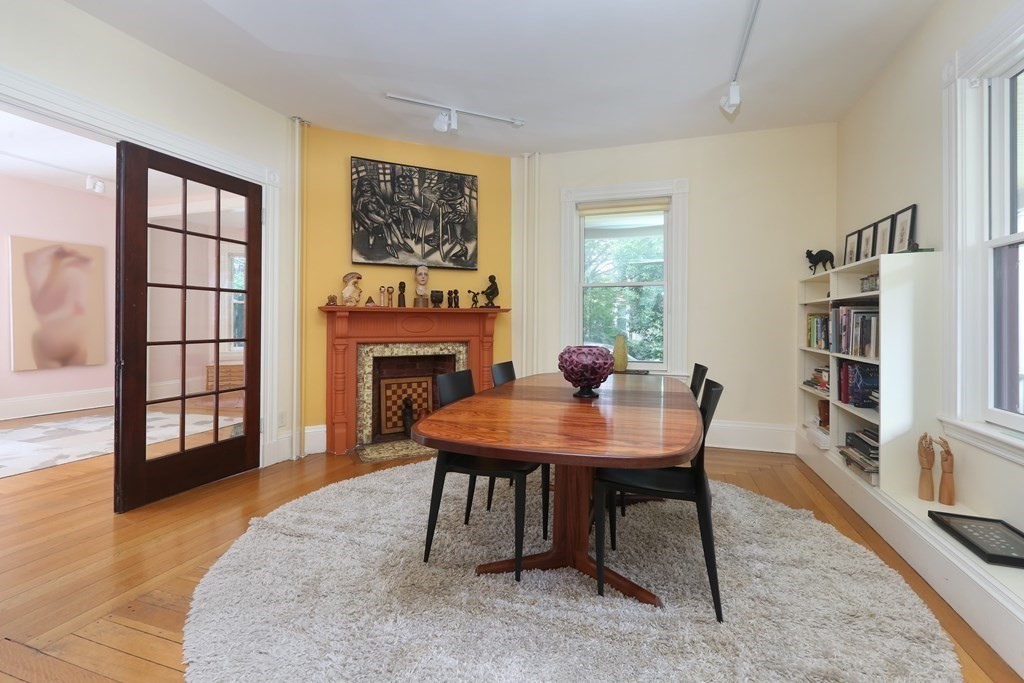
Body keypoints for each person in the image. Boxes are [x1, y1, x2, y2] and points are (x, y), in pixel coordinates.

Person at [24, 244, 92, 368]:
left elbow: (79, 309)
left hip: (69, 340)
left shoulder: (73, 275)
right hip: (56, 340)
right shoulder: (42, 298)